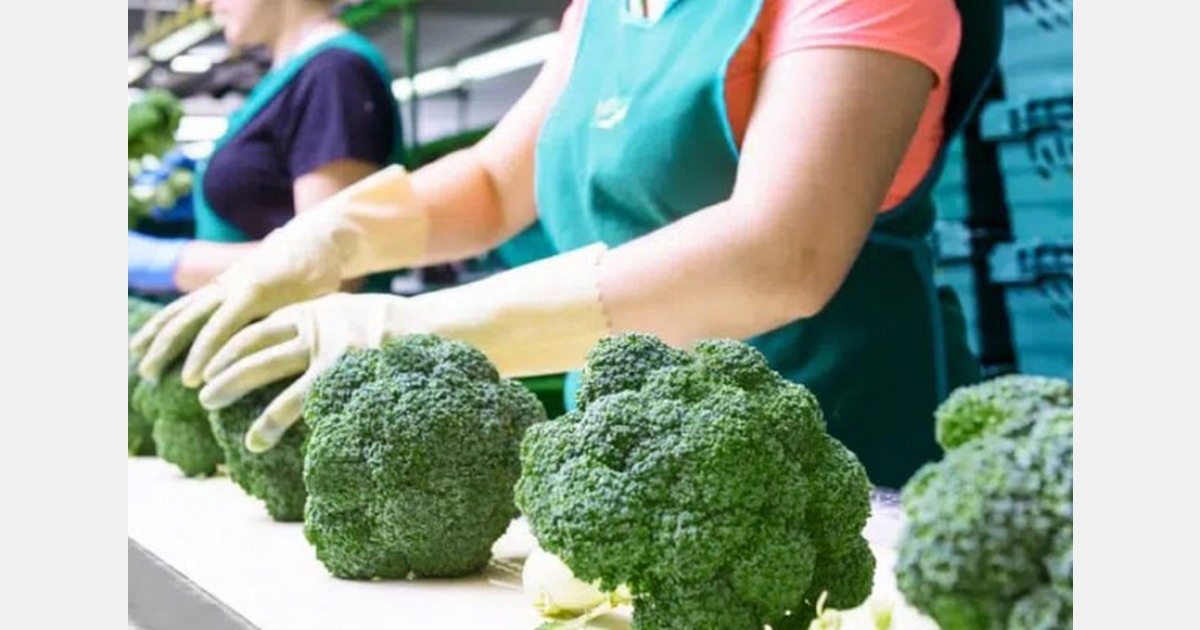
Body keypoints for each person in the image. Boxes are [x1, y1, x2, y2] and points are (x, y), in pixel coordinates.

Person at [132, 0, 1000, 489]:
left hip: (832, 464)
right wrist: (330, 235)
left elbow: (781, 252)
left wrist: (411, 328)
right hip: (615, 458)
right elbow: (495, 181)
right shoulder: (607, 9)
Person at [127, 0, 402, 294]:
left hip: (301, 336)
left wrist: (167, 261)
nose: (207, 4)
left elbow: (333, 267)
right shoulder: (286, 76)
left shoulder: (333, 73)